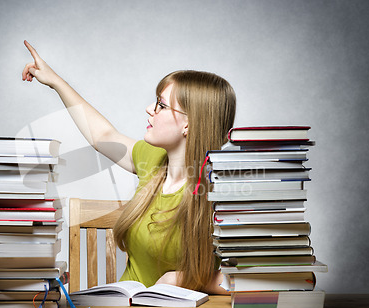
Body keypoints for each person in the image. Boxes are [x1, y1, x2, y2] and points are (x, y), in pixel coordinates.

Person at [22, 40, 236, 294]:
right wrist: (55, 81)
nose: (149, 109)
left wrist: (181, 280)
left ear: (189, 125)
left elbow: (255, 279)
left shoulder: (224, 191)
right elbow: (102, 135)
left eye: (162, 105)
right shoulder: (152, 157)